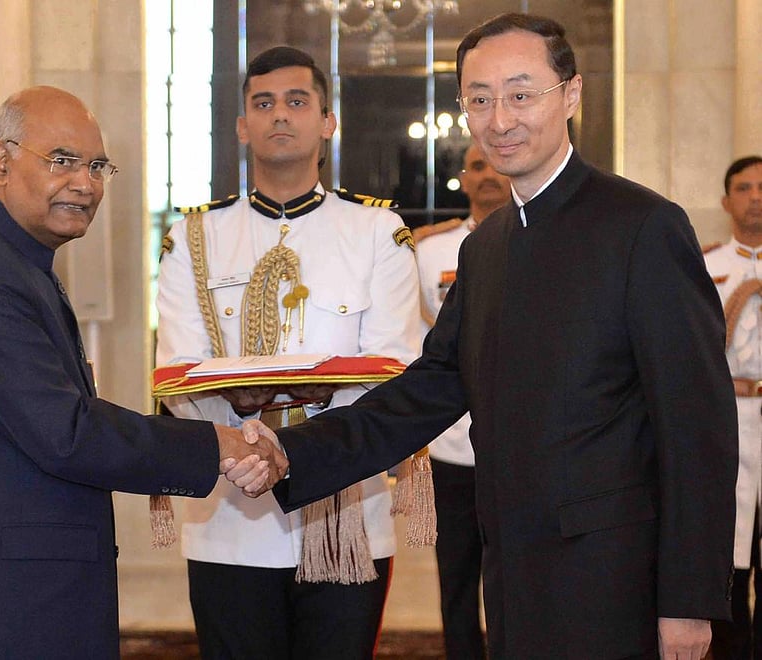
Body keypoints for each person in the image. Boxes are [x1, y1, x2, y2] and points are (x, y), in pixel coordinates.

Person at [230, 13, 738, 660]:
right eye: (479, 99)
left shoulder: (643, 229)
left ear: (571, 95)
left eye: (522, 94)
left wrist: (689, 603)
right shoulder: (486, 248)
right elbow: (427, 392)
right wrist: (290, 451)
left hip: (617, 586)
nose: (500, 120)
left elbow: (697, 428)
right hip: (512, 583)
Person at [0, 85, 285, 660]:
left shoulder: (18, 265)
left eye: (96, 166)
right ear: (2, 164)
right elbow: (65, 433)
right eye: (62, 161)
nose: (85, 183)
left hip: (20, 599)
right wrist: (215, 443)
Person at [155, 46, 421, 659]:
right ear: (243, 125)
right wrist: (246, 456)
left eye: (298, 102)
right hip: (229, 518)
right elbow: (179, 374)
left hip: (345, 512)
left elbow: (393, 374)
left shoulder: (378, 233)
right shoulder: (192, 237)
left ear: (328, 122)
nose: (281, 115)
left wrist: (295, 450)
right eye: (264, 103)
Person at [415, 141, 510, 659]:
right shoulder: (428, 251)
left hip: (521, 443)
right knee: (456, 577)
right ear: (464, 180)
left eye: (495, 162)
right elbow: (415, 340)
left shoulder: (544, 240)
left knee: (517, 578)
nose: (489, 174)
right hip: (452, 444)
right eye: (478, 166)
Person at [705, 155, 762, 660]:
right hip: (730, 418)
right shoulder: (708, 264)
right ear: (727, 202)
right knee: (729, 550)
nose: (756, 197)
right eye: (744, 188)